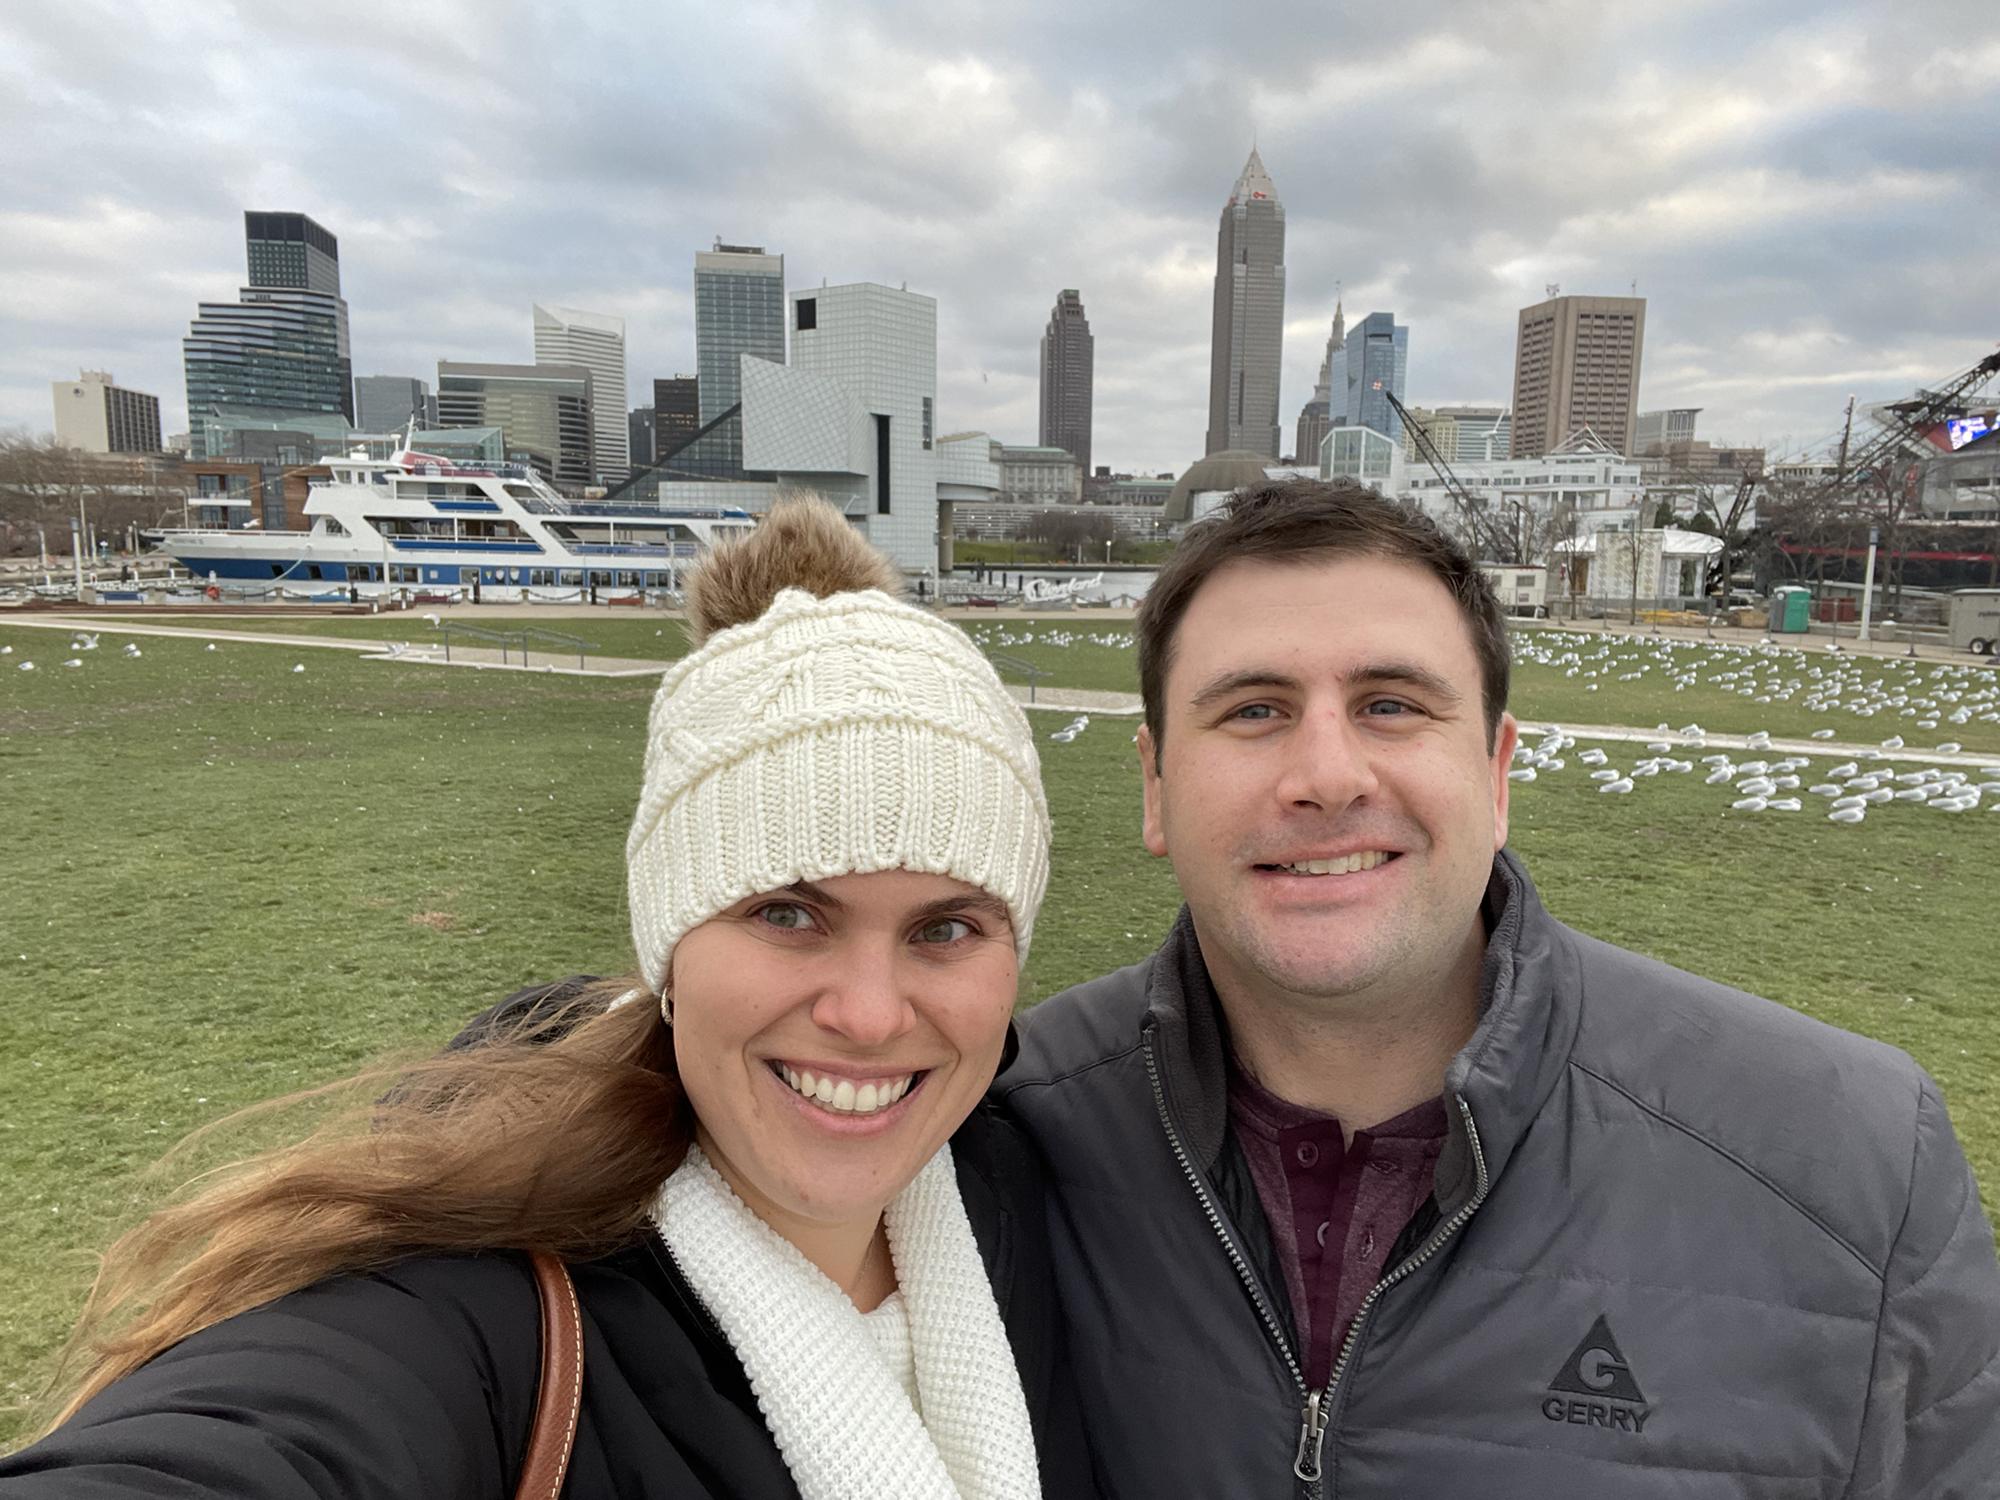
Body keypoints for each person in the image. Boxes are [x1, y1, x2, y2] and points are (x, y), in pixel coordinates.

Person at [3, 498, 1084, 1499]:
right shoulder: (471, 1312)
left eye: (945, 929)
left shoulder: (1043, 1196)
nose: (870, 1014)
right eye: (787, 914)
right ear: (669, 946)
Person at [994, 480, 2000, 1495]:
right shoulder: (994, 1129)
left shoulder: (1852, 1165)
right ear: (1155, 785)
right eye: (1253, 710)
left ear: (1496, 772)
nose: (1328, 776)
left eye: (1391, 705)